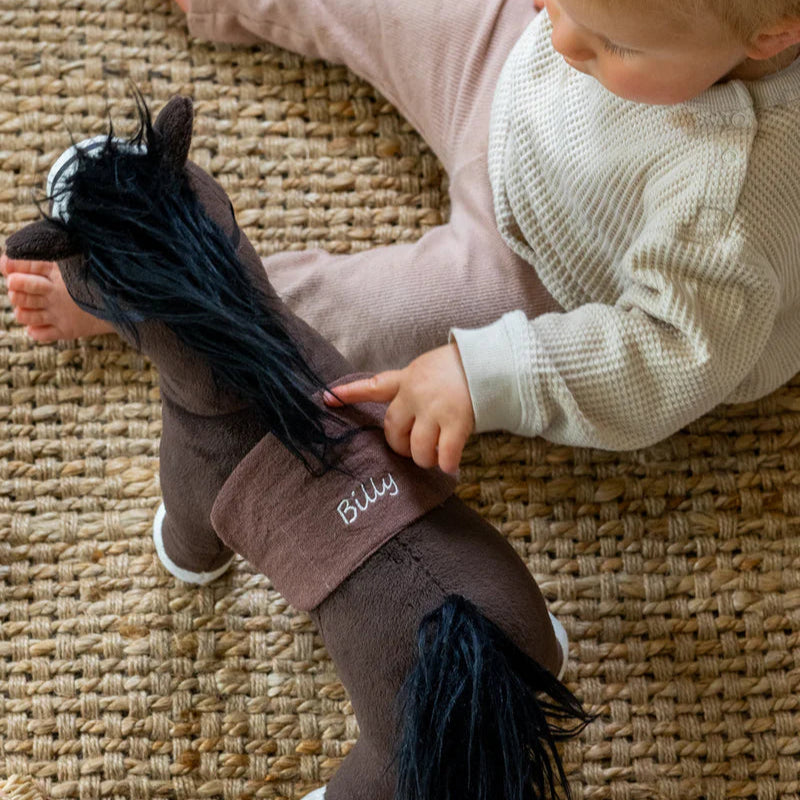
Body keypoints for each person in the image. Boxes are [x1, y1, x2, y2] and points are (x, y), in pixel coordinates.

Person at [4, 0, 800, 478]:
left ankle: (149, 290)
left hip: (561, 271)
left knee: (352, 319)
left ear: (771, 34)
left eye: (612, 42)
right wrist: (585, 28)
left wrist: (484, 375)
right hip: (508, 84)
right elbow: (567, 31)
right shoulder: (570, 33)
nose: (564, 34)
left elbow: (665, 356)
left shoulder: (727, 212)